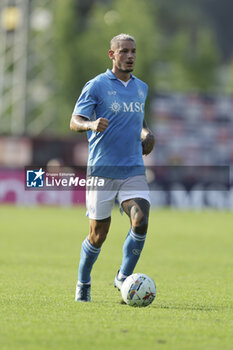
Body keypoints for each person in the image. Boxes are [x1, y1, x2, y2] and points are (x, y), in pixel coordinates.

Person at [70, 33, 155, 302]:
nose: (130, 56)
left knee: (141, 219)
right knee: (98, 235)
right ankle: (83, 281)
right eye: (124, 51)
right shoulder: (96, 85)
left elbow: (138, 121)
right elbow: (74, 121)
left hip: (133, 168)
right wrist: (91, 124)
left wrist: (146, 134)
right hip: (102, 170)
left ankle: (123, 277)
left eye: (133, 51)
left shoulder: (141, 87)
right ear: (112, 55)